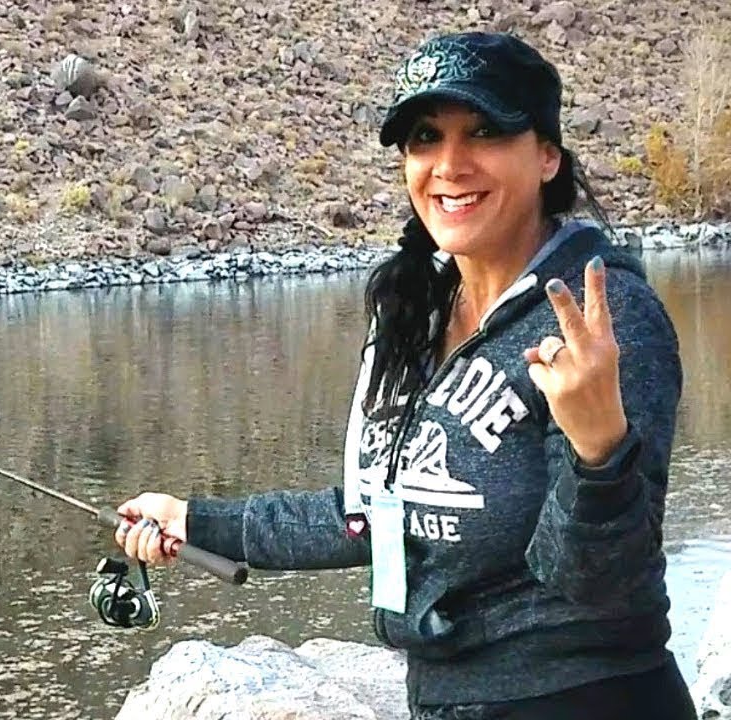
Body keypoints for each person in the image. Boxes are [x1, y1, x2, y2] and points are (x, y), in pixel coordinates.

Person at [114, 31, 697, 720]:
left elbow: (602, 587)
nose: (449, 164)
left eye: (484, 131)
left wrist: (601, 453)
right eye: (425, 137)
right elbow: (374, 518)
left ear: (546, 155)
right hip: (444, 697)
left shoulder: (603, 317)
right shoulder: (413, 311)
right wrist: (198, 520)